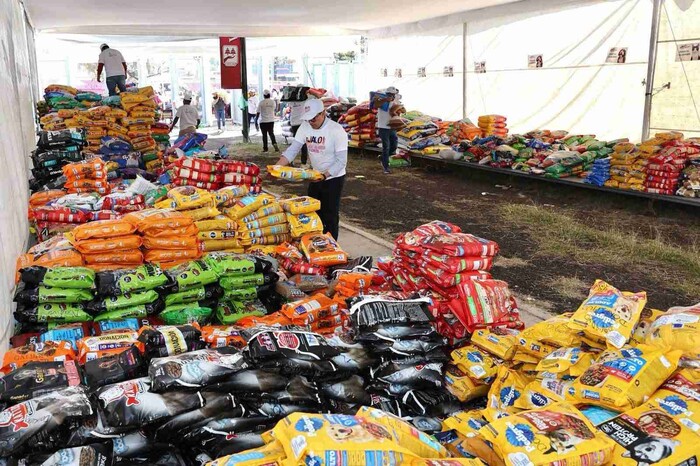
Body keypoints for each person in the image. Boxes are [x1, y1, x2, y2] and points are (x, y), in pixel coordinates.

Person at [275, 99, 347, 239]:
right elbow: (293, 150)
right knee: (312, 211)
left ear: (323, 113)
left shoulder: (336, 130)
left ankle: (331, 244)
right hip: (315, 176)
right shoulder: (305, 127)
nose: (311, 122)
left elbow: (341, 161)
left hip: (333, 177)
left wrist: (325, 176)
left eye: (314, 118)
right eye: (308, 119)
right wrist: (277, 167)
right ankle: (315, 242)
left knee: (330, 214)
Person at [373, 86, 399, 174]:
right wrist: (385, 100)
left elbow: (395, 112)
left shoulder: (394, 103)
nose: (391, 96)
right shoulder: (381, 102)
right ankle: (385, 166)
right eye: (390, 95)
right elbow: (376, 105)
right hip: (383, 127)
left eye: (393, 95)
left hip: (392, 127)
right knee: (386, 146)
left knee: (394, 145)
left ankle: (383, 157)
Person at [289, 97, 308, 166]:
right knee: (303, 143)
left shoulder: (291, 102)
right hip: (301, 123)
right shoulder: (305, 101)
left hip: (294, 123)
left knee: (296, 142)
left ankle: (290, 160)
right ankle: (303, 162)